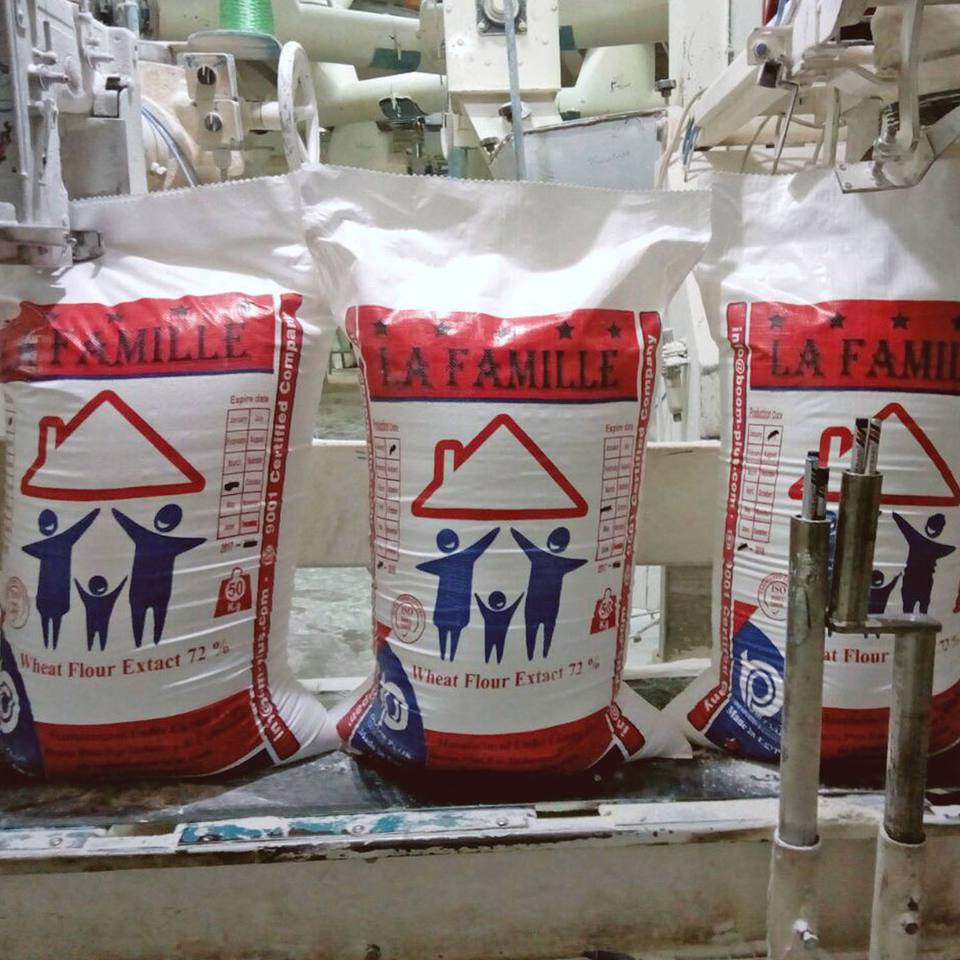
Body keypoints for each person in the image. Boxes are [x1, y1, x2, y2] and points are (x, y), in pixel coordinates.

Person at [112, 505, 205, 646]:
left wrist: (114, 511)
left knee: (139, 623)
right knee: (157, 623)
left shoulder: (143, 536)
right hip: (160, 593)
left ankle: (140, 644)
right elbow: (196, 541)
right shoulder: (173, 544)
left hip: (139, 591)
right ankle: (153, 642)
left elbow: (125, 521)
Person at [415, 527, 499, 661]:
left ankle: (445, 658)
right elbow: (481, 545)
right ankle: (449, 658)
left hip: (443, 612)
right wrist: (494, 531)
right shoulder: (466, 558)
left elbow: (423, 566)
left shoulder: (447, 562)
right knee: (453, 635)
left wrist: (494, 532)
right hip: (459, 612)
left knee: (444, 635)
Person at [21, 508, 99, 649]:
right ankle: (51, 647)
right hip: (59, 598)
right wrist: (95, 512)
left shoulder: (44, 546)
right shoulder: (64, 540)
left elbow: (26, 548)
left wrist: (95, 512)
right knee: (54, 624)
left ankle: (48, 648)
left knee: (46, 624)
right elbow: (80, 527)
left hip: (45, 598)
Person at [510, 527, 587, 660]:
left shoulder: (538, 556)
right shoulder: (563, 563)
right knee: (547, 635)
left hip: (533, 607)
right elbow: (581, 562)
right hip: (550, 608)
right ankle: (543, 655)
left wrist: (514, 531)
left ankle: (531, 657)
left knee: (531, 635)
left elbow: (524, 542)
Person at [892, 512, 955, 614]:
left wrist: (895, 515)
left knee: (909, 609)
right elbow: (952, 549)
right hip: (924, 581)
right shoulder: (938, 548)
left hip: (911, 579)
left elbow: (904, 525)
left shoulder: (916, 539)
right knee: (922, 611)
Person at [74, 575, 127, 651]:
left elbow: (81, 590)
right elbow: (118, 590)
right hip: (99, 624)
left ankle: (93, 650)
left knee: (93, 644)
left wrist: (76, 582)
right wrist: (124, 581)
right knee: (99, 643)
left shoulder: (90, 599)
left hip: (94, 624)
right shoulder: (109, 599)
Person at [474, 590, 523, 664]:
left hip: (491, 636)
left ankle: (491, 662)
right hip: (497, 637)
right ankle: (495, 662)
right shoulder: (506, 614)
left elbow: (481, 605)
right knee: (497, 653)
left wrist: (476, 596)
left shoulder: (488, 613)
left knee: (491, 653)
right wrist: (521, 597)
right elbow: (514, 605)